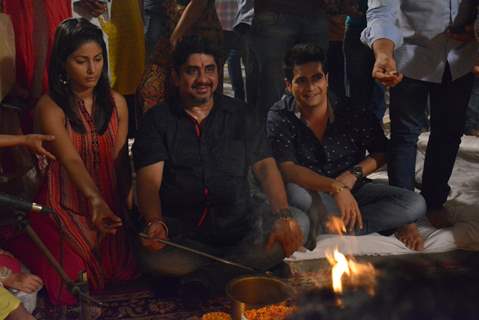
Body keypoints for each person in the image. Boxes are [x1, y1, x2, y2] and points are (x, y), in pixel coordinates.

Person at [133, 35, 309, 297]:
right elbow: (149, 182)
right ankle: (247, 269)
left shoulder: (242, 114)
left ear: (217, 73)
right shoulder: (158, 121)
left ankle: (208, 278)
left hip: (241, 230)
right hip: (186, 239)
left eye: (209, 70)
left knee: (300, 222)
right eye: (192, 71)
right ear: (176, 76)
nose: (202, 79)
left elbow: (266, 168)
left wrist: (282, 216)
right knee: (151, 256)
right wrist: (155, 222)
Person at [5, 18, 137, 306]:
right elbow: (70, 160)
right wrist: (95, 201)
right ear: (63, 63)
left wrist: (125, 205)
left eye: (98, 59)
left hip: (107, 206)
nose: (92, 70)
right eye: (81, 61)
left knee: (125, 271)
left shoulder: (118, 103)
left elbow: (119, 162)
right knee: (71, 284)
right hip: (63, 206)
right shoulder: (50, 106)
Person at [267, 43, 427, 250]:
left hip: (353, 186)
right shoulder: (280, 115)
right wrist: (334, 187)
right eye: (301, 81)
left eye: (317, 78)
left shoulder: (351, 110)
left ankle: (338, 224)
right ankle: (348, 221)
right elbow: (288, 169)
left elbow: (381, 151)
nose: (311, 88)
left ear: (327, 79)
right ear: (288, 85)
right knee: (294, 194)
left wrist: (352, 176)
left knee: (415, 204)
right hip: (310, 188)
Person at [361, 0, 478, 228]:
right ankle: (403, 209)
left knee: (449, 133)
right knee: (405, 135)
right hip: (410, 56)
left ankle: (434, 201)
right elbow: (381, 10)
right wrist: (383, 53)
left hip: (461, 56)